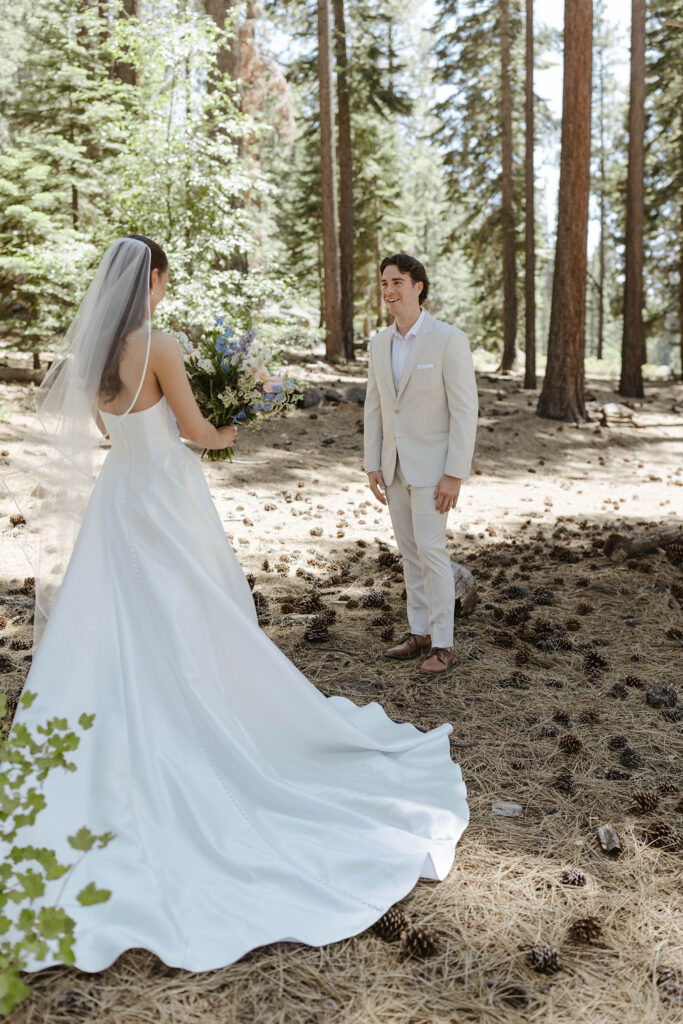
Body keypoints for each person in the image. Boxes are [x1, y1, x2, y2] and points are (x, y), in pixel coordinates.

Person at [1, 236, 468, 974]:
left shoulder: (93, 358)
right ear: (152, 280)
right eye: (162, 279)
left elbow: (109, 431)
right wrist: (230, 431)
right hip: (166, 501)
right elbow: (192, 429)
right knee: (196, 618)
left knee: (114, 625)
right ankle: (207, 726)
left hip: (117, 502)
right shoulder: (159, 343)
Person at [364, 253, 479, 676]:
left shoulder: (448, 339)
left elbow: (465, 412)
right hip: (393, 466)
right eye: (383, 284)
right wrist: (372, 463)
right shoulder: (379, 343)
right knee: (409, 553)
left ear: (418, 287)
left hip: (434, 470)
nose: (389, 291)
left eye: (397, 282)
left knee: (432, 552)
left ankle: (443, 643)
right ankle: (419, 631)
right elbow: (375, 408)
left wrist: (454, 473)